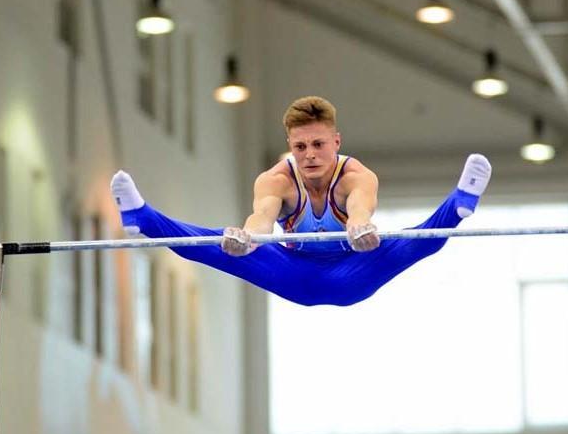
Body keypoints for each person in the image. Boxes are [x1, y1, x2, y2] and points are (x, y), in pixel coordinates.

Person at [111, 96, 491, 307]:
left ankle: (458, 205)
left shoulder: (357, 176)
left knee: (414, 241)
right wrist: (247, 237)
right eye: (300, 146)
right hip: (296, 274)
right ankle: (142, 218)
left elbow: (360, 207)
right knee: (216, 242)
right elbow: (262, 216)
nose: (309, 154)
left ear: (336, 142)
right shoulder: (276, 179)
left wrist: (361, 226)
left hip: (352, 271)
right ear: (290, 146)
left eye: (318, 144)